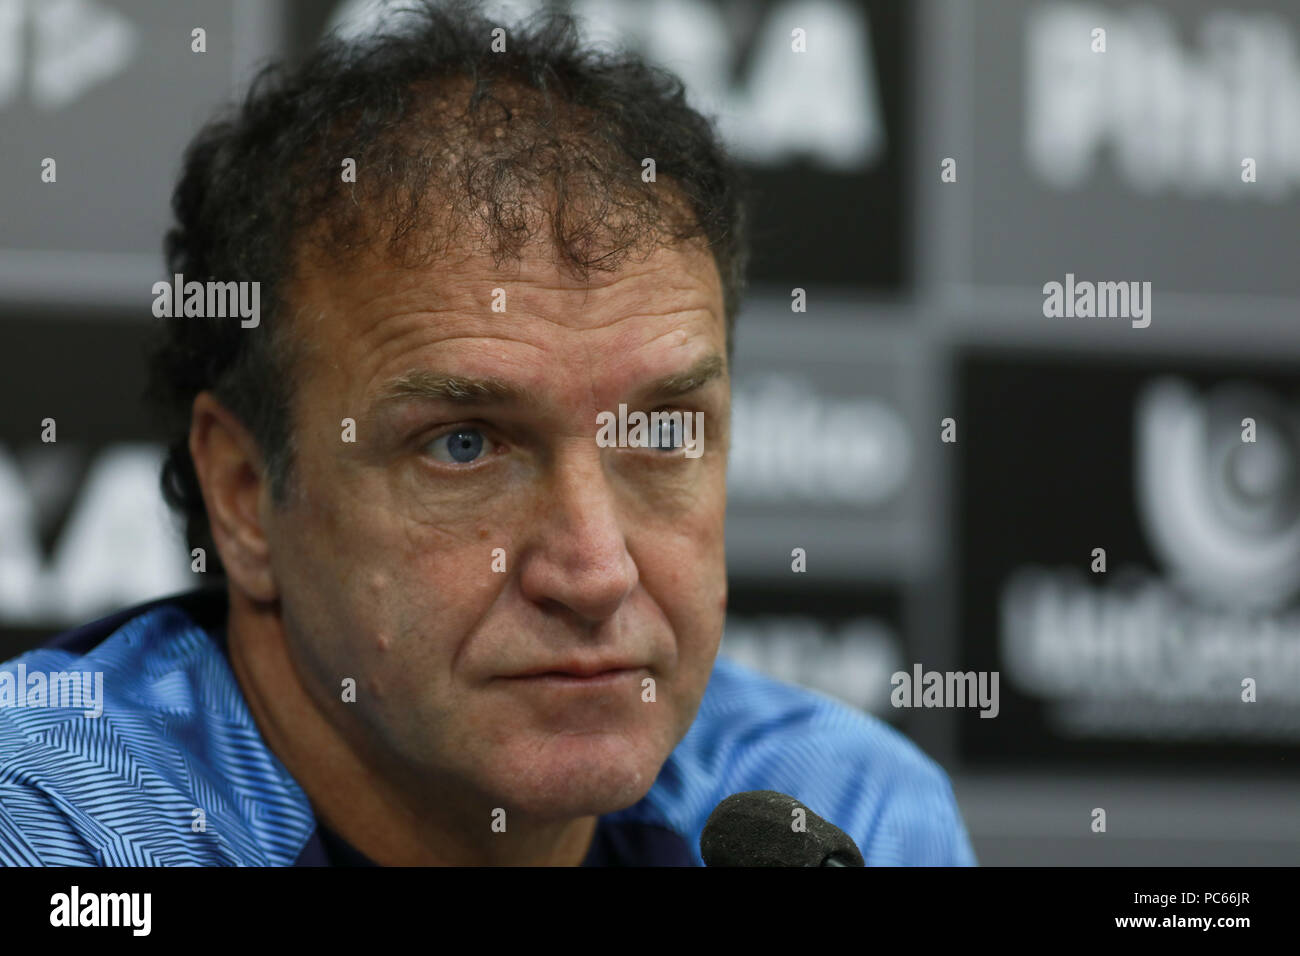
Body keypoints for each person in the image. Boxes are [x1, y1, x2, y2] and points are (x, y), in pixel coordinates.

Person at [0, 0, 975, 866]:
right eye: (464, 443)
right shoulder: (54, 822)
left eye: (664, 429)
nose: (594, 573)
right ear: (247, 496)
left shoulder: (844, 813)